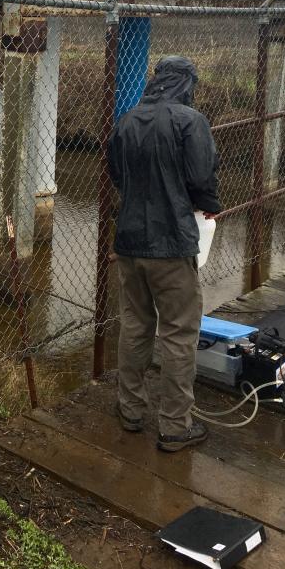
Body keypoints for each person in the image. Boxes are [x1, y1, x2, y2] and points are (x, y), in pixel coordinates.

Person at [108, 55, 221, 452]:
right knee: (178, 331)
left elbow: (117, 175)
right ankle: (175, 426)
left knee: (135, 324)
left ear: (156, 81)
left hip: (129, 241)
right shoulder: (190, 121)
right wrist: (207, 203)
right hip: (172, 243)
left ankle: (130, 411)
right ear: (187, 84)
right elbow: (201, 177)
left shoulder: (126, 120)